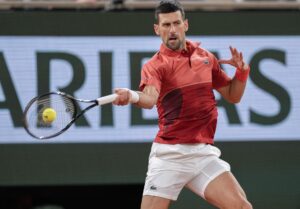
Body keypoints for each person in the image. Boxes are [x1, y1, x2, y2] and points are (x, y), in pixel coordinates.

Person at [113, 0, 253, 209]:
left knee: (242, 207)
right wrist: (132, 96)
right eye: (166, 25)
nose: (172, 30)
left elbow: (233, 96)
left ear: (185, 25)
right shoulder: (155, 66)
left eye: (176, 23)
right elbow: (149, 99)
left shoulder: (206, 58)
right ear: (157, 29)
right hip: (170, 155)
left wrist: (242, 73)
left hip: (202, 153)